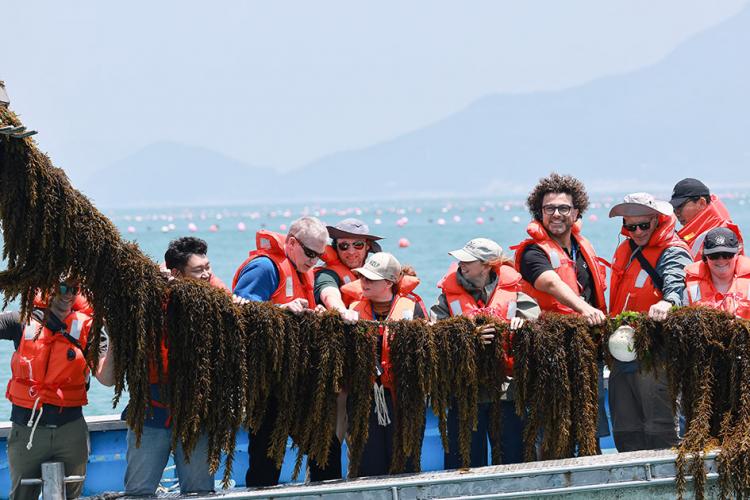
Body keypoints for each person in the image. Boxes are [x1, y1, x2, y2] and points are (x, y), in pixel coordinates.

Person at [98, 237, 230, 496]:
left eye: (208, 267)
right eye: (198, 270)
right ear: (176, 274)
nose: (207, 274)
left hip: (196, 413)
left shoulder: (216, 297)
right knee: (139, 491)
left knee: (199, 492)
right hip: (150, 412)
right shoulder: (149, 300)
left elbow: (236, 309)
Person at [512, 173, 610, 447]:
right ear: (539, 213)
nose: (556, 214)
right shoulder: (533, 252)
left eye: (564, 208)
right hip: (549, 350)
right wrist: (584, 309)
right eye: (549, 208)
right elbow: (550, 283)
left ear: (576, 212)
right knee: (553, 431)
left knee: (589, 426)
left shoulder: (583, 247)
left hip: (587, 348)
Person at [232, 217, 328, 487]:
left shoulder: (303, 271)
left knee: (324, 447)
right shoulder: (264, 268)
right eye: (310, 253)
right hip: (267, 382)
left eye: (319, 256)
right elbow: (241, 314)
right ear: (292, 243)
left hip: (299, 380)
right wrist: (280, 310)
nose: (314, 261)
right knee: (265, 454)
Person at [432, 238, 540, 469]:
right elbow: (436, 334)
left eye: (468, 261)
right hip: (464, 390)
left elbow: (534, 319)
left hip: (507, 390)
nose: (461, 264)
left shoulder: (514, 290)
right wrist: (469, 337)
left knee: (515, 459)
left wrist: (523, 324)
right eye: (460, 260)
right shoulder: (446, 296)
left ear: (487, 265)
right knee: (463, 462)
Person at [1, 280, 103, 500]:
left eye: (74, 289)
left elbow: (107, 378)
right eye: (62, 288)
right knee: (21, 496)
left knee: (72, 496)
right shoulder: (21, 321)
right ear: (47, 288)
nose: (68, 294)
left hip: (71, 429)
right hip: (27, 429)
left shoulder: (88, 328)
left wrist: (117, 333)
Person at [607, 192, 692, 452]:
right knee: (625, 427)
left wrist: (669, 302)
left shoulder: (673, 250)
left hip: (657, 351)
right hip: (622, 351)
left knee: (661, 427)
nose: (638, 232)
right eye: (631, 227)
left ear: (657, 220)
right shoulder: (627, 249)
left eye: (644, 225)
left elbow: (677, 283)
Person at [309, 218, 383, 481]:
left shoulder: (381, 275)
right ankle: (323, 486)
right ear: (335, 247)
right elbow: (328, 292)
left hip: (372, 370)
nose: (351, 251)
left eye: (358, 245)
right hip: (338, 370)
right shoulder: (328, 274)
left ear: (368, 246)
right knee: (332, 432)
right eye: (343, 245)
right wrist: (341, 311)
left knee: (367, 441)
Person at [344, 252, 426, 476]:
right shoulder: (352, 311)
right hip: (364, 401)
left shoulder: (413, 309)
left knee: (406, 464)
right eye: (362, 277)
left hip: (403, 400)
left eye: (371, 279)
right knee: (368, 467)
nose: (364, 282)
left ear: (389, 283)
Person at [669, 178, 743, 260]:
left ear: (702, 203)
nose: (677, 213)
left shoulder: (720, 236)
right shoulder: (697, 234)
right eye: (674, 208)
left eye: (680, 207)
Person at [684, 227, 750, 318]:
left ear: (737, 254)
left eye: (727, 255)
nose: (721, 260)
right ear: (705, 257)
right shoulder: (691, 289)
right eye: (714, 255)